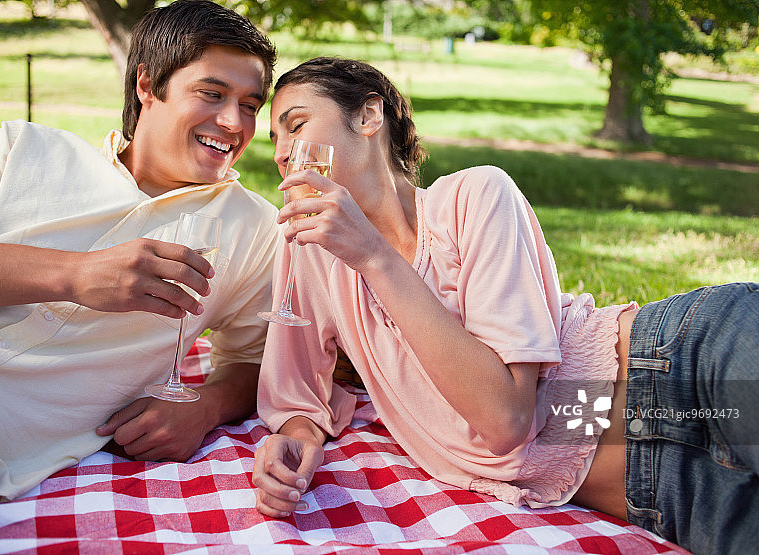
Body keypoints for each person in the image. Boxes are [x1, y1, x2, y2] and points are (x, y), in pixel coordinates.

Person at [251, 57, 758, 554]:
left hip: (679, 370)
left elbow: (508, 417)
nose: (282, 153)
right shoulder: (311, 254)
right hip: (664, 490)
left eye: (296, 125)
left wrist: (374, 255)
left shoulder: (473, 196)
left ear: (368, 116)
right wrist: (298, 442)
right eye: (274, 140)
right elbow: (296, 392)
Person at [0, 0, 279, 506]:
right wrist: (75, 274)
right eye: (212, 94)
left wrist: (206, 407)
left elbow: (257, 358)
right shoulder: (20, 151)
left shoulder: (256, 228)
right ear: (148, 86)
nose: (233, 122)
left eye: (249, 105)